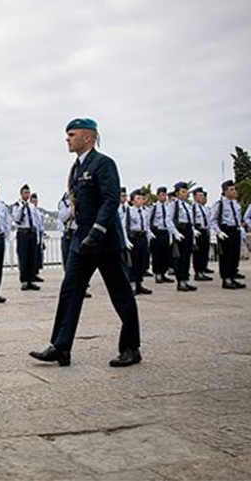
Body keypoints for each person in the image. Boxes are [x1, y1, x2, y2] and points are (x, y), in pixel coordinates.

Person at [30, 118, 141, 368]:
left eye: (72, 134)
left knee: (121, 293)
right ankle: (61, 347)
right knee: (70, 291)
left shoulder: (103, 163)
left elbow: (111, 200)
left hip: (105, 242)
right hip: (82, 242)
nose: (67, 139)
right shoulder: (76, 168)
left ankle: (131, 348)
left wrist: (97, 231)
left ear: (88, 137)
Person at [209, 180, 246, 290]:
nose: (234, 191)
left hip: (235, 230)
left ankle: (233, 276)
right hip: (225, 231)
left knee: (235, 256)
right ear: (225, 192)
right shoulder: (219, 204)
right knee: (226, 256)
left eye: (234, 189)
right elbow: (213, 220)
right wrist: (218, 232)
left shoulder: (236, 204)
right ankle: (226, 279)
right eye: (231, 189)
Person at [167, 182, 197, 292]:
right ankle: (180, 281)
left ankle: (186, 279)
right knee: (180, 258)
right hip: (180, 230)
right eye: (183, 192)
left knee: (187, 257)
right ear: (177, 193)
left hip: (188, 231)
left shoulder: (188, 206)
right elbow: (168, 220)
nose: (185, 194)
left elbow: (191, 221)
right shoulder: (173, 205)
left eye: (186, 192)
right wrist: (175, 233)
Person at [11, 184, 41, 291]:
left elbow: (37, 221)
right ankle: (24, 281)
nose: (27, 195)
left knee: (32, 257)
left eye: (28, 192)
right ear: (21, 193)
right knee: (23, 257)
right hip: (23, 233)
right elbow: (16, 218)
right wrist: (21, 207)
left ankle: (31, 280)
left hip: (31, 233)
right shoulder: (16, 206)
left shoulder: (32, 207)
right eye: (25, 192)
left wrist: (38, 236)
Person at [125, 189, 153, 295]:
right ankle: (132, 285)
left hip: (142, 237)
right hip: (134, 238)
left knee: (142, 261)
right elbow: (124, 227)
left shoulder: (145, 212)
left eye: (142, 198)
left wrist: (149, 236)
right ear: (132, 201)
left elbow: (146, 226)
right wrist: (126, 241)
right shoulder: (129, 211)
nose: (141, 200)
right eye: (138, 198)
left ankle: (139, 283)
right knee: (133, 262)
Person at [148, 186, 173, 284]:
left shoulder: (168, 207)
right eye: (162, 195)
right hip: (157, 233)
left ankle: (163, 273)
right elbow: (148, 221)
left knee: (165, 254)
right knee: (157, 254)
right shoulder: (153, 207)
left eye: (165, 195)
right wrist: (150, 233)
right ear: (158, 196)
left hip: (166, 231)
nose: (164, 197)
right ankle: (157, 273)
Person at [191, 188, 213, 282]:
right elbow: (191, 221)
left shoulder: (205, 208)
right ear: (195, 197)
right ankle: (198, 272)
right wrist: (193, 230)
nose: (201, 197)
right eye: (199, 195)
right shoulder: (192, 208)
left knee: (205, 252)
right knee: (198, 253)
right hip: (197, 231)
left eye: (202, 195)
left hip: (205, 231)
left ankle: (203, 270)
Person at [30, 193, 46, 281]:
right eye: (33, 201)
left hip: (39, 234)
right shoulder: (30, 210)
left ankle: (36, 273)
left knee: (38, 256)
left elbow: (40, 224)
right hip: (33, 234)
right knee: (32, 256)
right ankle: (31, 274)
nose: (35, 202)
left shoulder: (38, 212)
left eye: (36, 201)